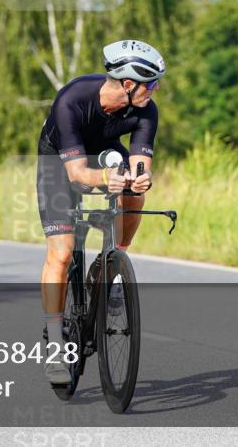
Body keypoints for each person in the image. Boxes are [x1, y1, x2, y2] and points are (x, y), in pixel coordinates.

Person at [35, 40, 164, 384]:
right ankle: (55, 343)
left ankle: (115, 262)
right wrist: (106, 178)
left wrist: (141, 177)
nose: (155, 90)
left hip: (105, 152)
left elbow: (140, 161)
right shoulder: (71, 100)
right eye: (151, 84)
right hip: (59, 162)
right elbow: (77, 174)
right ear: (128, 83)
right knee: (62, 254)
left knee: (135, 191)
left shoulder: (146, 109)